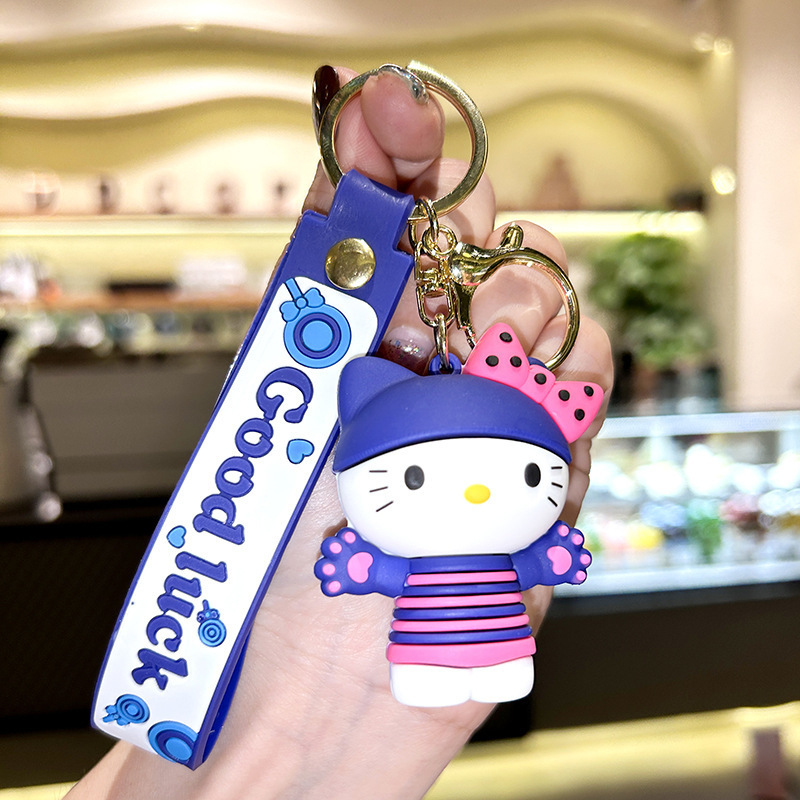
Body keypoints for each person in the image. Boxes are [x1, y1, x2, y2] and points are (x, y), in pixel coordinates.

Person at [68, 64, 613, 800]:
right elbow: (406, 566)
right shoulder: (380, 431)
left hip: (480, 653)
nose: (479, 492)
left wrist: (545, 553)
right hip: (412, 652)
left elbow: (499, 560)